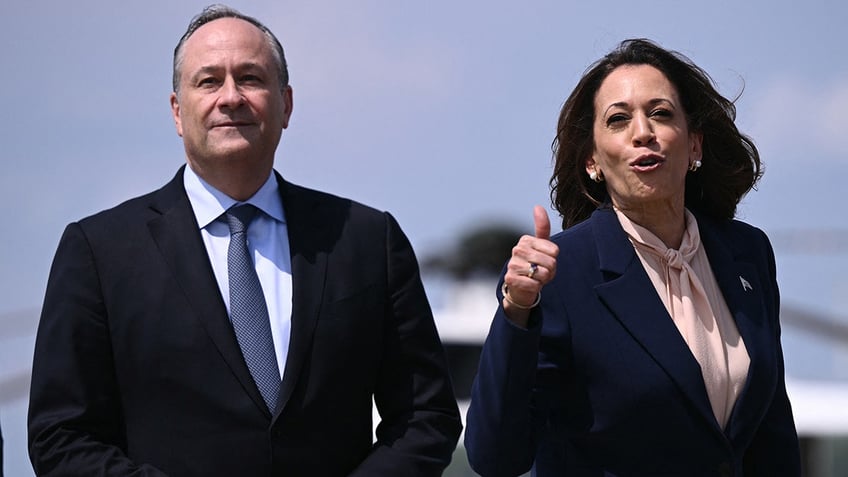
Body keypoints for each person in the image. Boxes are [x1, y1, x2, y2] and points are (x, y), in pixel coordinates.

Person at [28, 5, 461, 476]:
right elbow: (61, 435)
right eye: (208, 81)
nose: (230, 97)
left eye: (250, 78)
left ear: (286, 104)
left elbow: (426, 416)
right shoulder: (100, 251)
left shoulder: (366, 240)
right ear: (177, 110)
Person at [465, 39, 800, 476]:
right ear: (592, 161)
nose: (643, 132)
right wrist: (516, 309)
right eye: (618, 120)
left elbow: (771, 434)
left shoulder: (747, 253)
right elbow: (495, 456)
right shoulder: (561, 272)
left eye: (660, 114)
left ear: (694, 145)